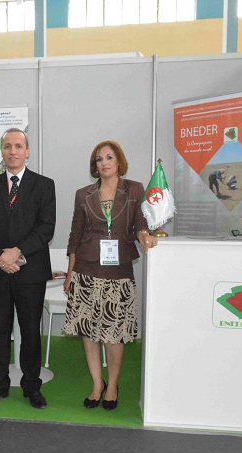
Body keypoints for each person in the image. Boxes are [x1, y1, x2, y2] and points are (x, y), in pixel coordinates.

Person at [62, 140, 158, 411]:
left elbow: (140, 223)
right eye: (99, 159)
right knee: (89, 331)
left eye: (108, 157)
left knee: (114, 334)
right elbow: (75, 235)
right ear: (95, 166)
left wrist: (144, 235)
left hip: (118, 272)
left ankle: (113, 384)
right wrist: (70, 274)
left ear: (119, 161)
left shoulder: (134, 189)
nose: (104, 163)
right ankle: (97, 383)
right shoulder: (83, 194)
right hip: (85, 271)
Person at [0, 128, 56, 409]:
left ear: (27, 151)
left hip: (30, 272)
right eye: (7, 146)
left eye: (18, 146)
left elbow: (46, 228)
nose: (13, 151)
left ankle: (32, 387)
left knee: (31, 331)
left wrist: (16, 252)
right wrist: (1, 256)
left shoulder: (44, 185)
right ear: (2, 151)